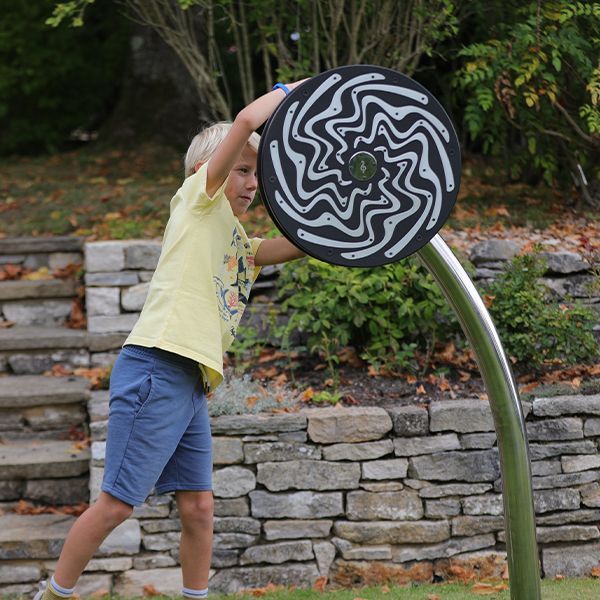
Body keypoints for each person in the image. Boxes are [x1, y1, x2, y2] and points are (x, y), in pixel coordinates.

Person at [35, 79, 307, 600]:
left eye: (258, 175)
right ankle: (52, 595)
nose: (253, 184)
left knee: (199, 507)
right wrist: (292, 93)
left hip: (190, 381)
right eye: (244, 170)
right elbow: (248, 122)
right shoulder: (197, 202)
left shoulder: (239, 242)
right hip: (157, 365)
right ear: (213, 171)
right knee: (117, 502)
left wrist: (355, 220)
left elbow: (302, 243)